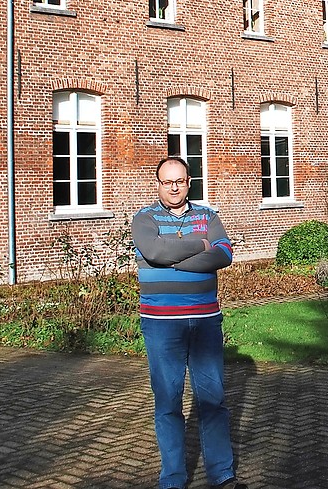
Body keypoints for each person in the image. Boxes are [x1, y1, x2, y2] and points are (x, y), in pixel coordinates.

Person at [132, 156, 246, 489]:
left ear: (189, 181)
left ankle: (222, 475)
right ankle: (173, 479)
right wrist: (198, 247)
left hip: (206, 321)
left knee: (213, 400)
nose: (174, 187)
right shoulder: (144, 218)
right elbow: (153, 251)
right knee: (168, 402)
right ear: (158, 184)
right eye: (167, 182)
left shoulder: (208, 216)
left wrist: (172, 261)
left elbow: (223, 254)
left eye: (179, 180)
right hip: (162, 324)